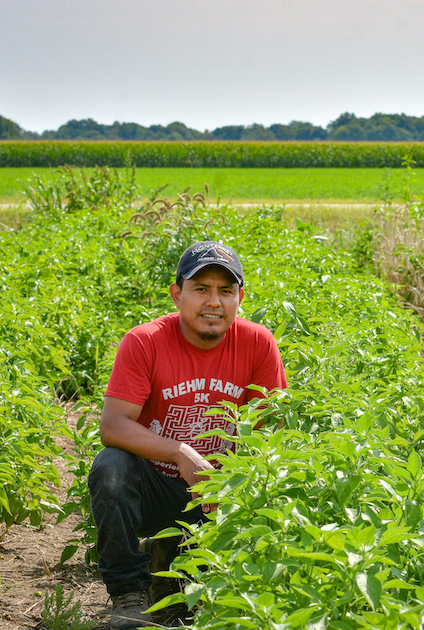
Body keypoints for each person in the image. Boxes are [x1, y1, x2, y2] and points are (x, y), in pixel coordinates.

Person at [88, 241, 287, 629]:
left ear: (239, 298)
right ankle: (129, 594)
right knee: (110, 467)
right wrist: (180, 451)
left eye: (225, 291)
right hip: (157, 487)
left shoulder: (258, 343)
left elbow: (272, 434)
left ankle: (175, 561)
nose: (214, 301)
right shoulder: (145, 341)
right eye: (201, 288)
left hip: (222, 498)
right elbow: (112, 425)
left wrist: (230, 485)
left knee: (191, 604)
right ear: (177, 294)